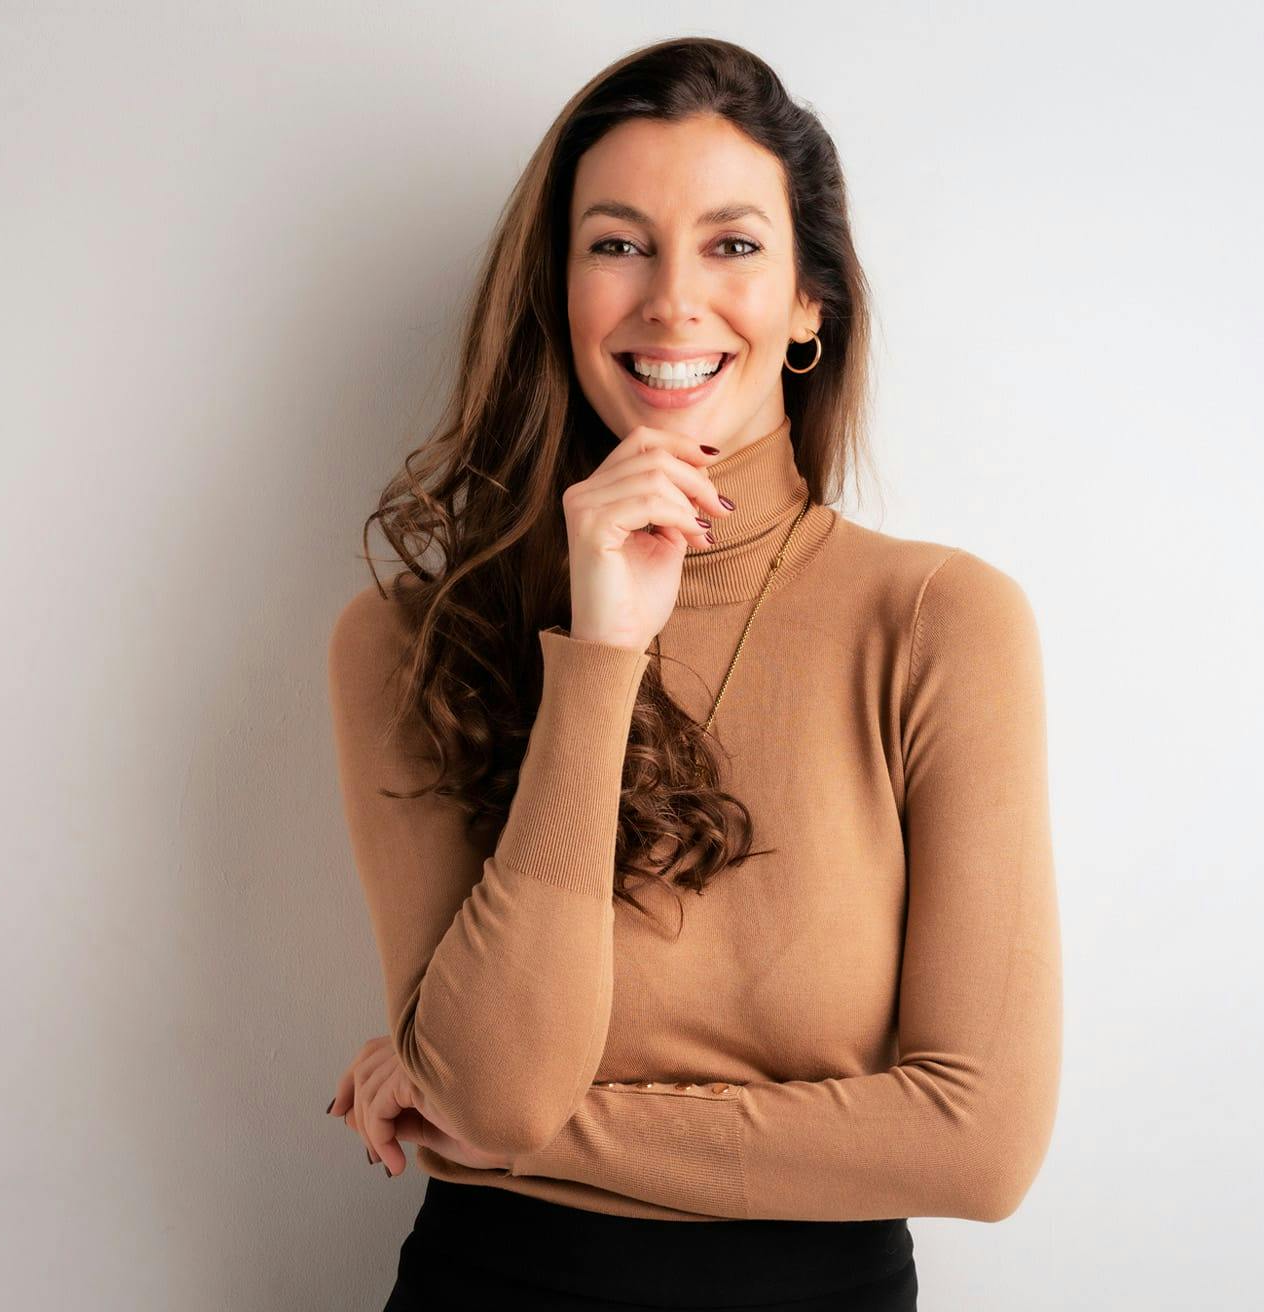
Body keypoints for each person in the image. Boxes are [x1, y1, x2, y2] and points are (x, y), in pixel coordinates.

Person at [323, 35, 1061, 1311]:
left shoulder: (939, 622)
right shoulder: (409, 640)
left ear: (809, 304)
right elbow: (494, 1084)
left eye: (732, 245)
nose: (672, 300)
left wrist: (523, 1131)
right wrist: (601, 652)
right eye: (617, 244)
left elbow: (978, 1142)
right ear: (559, 292)